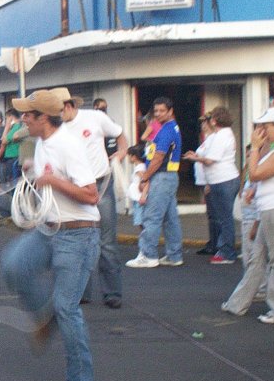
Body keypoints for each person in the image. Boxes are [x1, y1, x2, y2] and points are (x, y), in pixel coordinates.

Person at [0, 90, 99, 381]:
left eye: (28, 115)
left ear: (44, 118)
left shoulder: (68, 144)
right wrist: (33, 172)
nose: (22, 119)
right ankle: (46, 316)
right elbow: (47, 178)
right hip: (50, 228)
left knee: (67, 308)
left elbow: (91, 195)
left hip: (78, 234)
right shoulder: (42, 143)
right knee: (14, 265)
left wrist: (53, 181)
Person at [222, 107, 274, 324]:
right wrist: (262, 146)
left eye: (267, 126)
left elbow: (255, 173)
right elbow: (263, 175)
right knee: (257, 258)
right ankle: (237, 303)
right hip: (271, 208)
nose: (263, 130)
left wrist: (256, 148)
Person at [55, 87, 125, 309]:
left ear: (69, 106)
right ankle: (81, 291)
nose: (56, 116)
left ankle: (112, 292)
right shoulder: (57, 130)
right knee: (79, 240)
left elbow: (120, 135)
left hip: (101, 183)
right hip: (75, 188)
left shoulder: (95, 118)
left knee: (106, 241)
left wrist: (121, 153)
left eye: (58, 110)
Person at [126, 97, 184, 268]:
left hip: (162, 176)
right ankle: (174, 255)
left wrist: (145, 177)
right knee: (170, 218)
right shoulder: (170, 128)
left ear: (170, 111)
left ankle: (148, 255)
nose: (158, 114)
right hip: (170, 176)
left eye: (161, 111)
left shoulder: (166, 131)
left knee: (152, 217)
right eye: (156, 111)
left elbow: (158, 158)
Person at [184, 107, 239, 264]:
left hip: (223, 180)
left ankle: (227, 252)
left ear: (215, 120)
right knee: (223, 217)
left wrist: (194, 159)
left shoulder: (221, 136)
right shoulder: (222, 135)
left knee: (225, 218)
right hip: (222, 179)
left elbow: (210, 160)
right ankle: (225, 249)